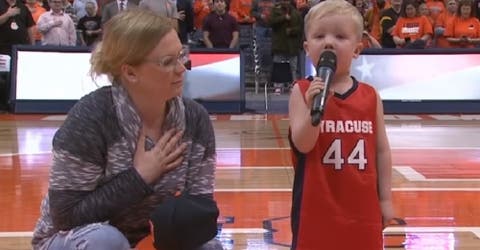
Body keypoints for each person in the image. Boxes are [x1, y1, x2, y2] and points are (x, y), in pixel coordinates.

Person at [31, 9, 222, 250]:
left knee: (207, 245)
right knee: (106, 241)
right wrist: (139, 178)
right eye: (167, 62)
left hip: (150, 238)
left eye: (181, 55)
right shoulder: (92, 118)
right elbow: (65, 217)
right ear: (130, 72)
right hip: (73, 238)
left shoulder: (195, 120)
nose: (182, 68)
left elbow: (198, 210)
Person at [288, 0, 395, 249]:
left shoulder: (370, 96)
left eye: (339, 36)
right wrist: (314, 105)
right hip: (315, 207)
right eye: (319, 35)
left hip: (362, 207)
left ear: (357, 49)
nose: (328, 42)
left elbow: (381, 150)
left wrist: (386, 199)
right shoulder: (301, 91)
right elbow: (303, 144)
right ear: (307, 47)